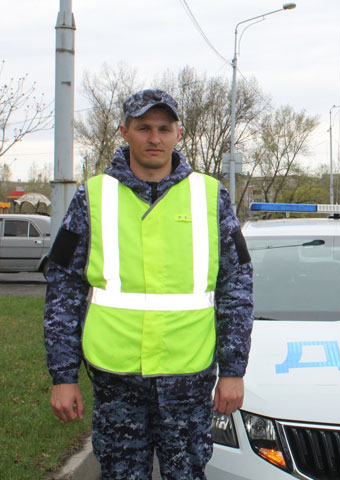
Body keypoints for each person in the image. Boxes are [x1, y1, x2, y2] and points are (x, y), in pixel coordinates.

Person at [44, 89, 254, 479]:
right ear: (125, 132)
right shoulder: (92, 197)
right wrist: (63, 376)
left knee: (187, 473)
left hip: (187, 375)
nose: (154, 138)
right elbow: (63, 288)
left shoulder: (211, 197)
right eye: (143, 128)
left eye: (163, 128)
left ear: (178, 133)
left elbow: (236, 287)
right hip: (116, 374)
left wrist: (233, 369)